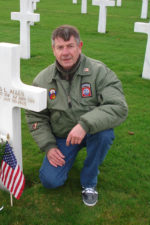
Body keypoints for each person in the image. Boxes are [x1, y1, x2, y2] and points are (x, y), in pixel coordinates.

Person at [25, 25, 128, 206]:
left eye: (70, 46)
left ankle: (89, 181)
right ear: (53, 50)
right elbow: (35, 116)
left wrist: (85, 125)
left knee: (105, 135)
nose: (65, 52)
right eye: (60, 47)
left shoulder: (99, 72)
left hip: (91, 132)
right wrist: (48, 146)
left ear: (80, 46)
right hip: (62, 136)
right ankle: (67, 157)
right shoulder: (42, 80)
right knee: (50, 181)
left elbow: (118, 107)